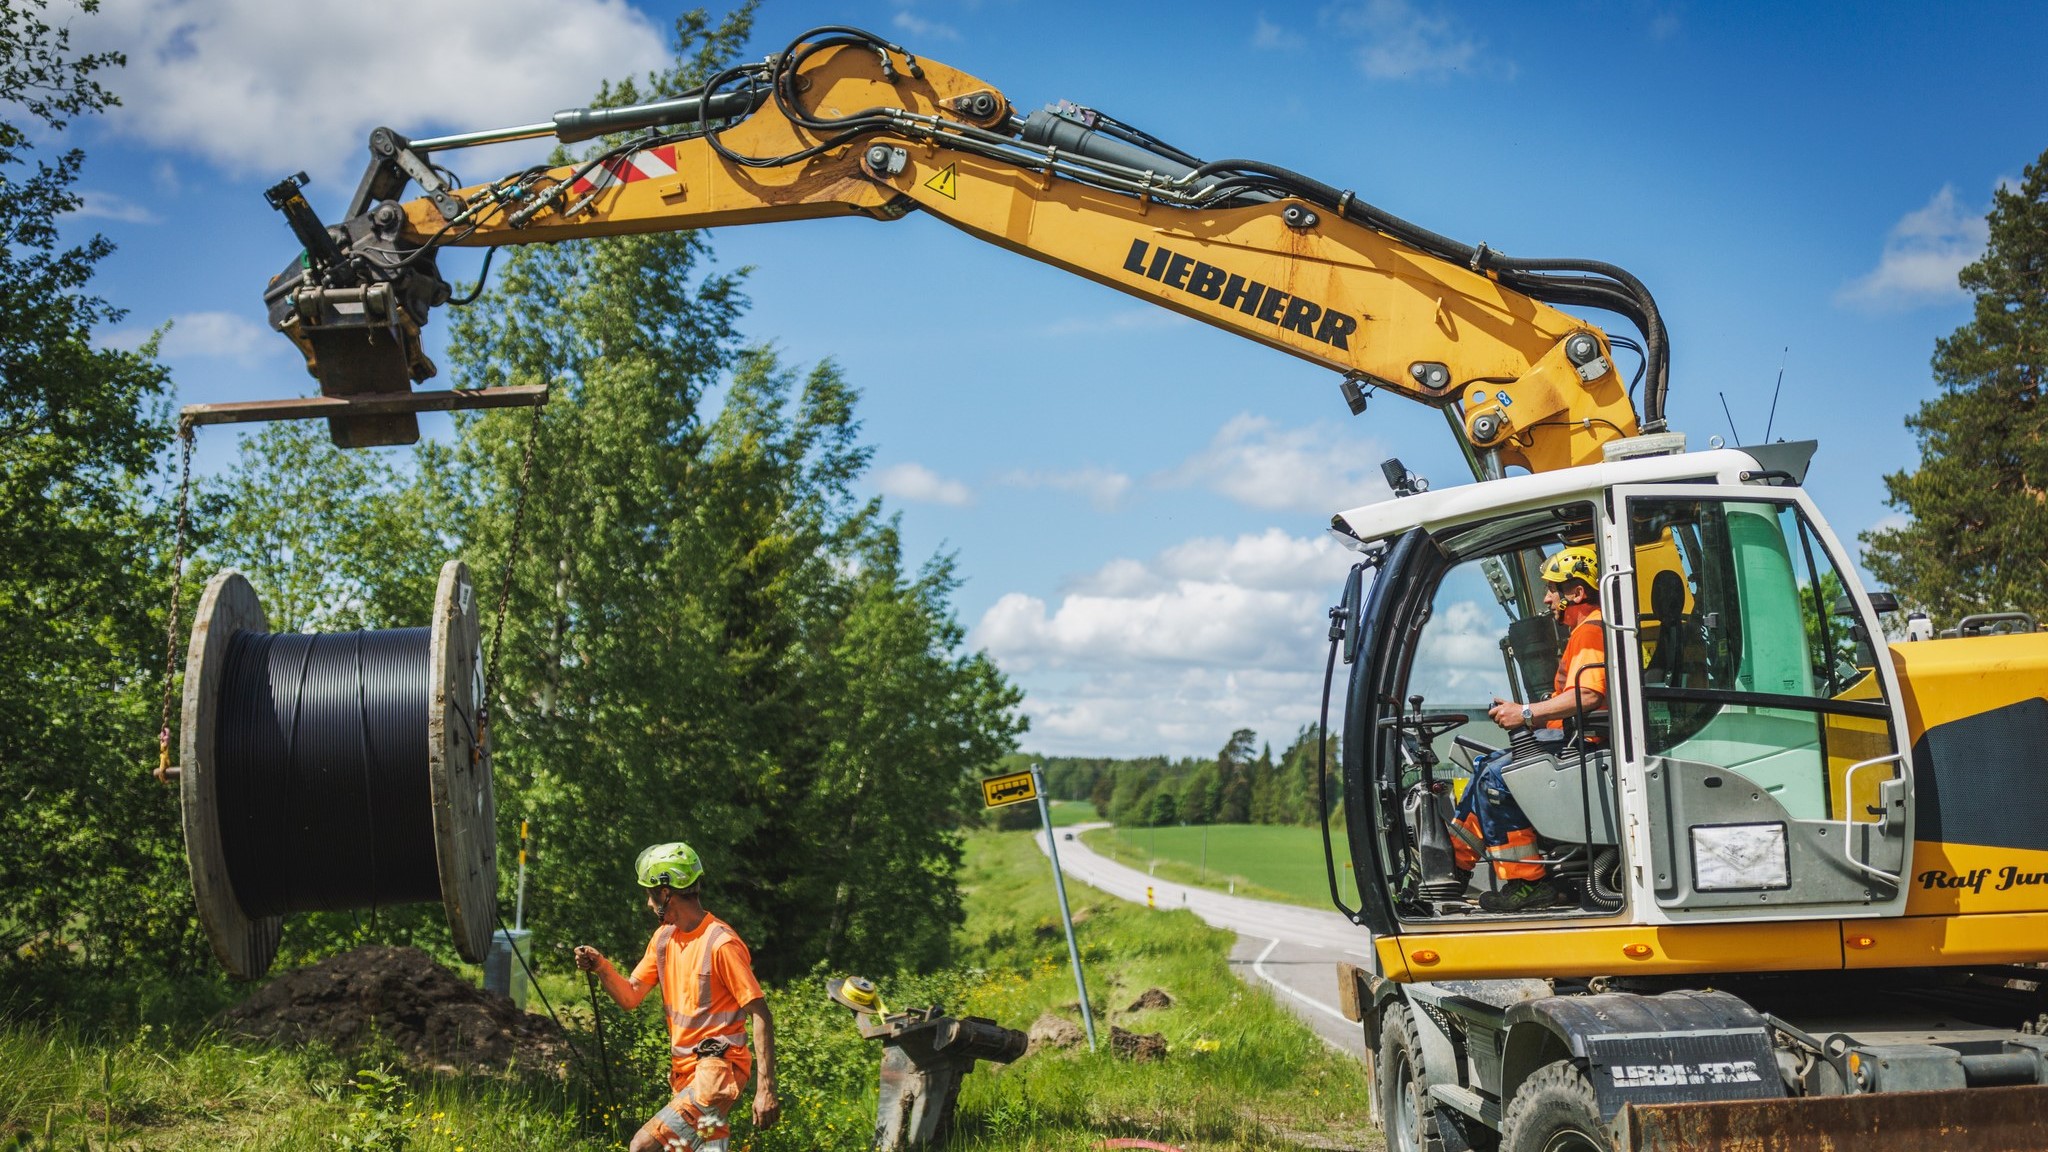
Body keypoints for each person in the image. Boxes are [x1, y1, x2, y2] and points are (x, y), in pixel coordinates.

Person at [574, 842, 779, 1152]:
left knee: (643, 1146)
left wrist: (765, 1089)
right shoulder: (664, 939)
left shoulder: (720, 943)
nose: (647, 903)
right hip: (686, 1076)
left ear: (666, 892)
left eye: (650, 893)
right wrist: (601, 966)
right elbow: (630, 996)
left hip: (717, 1074)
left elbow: (761, 1013)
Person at [1455, 544, 1608, 913]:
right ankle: (1454, 868)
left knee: (1497, 776)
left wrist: (1524, 713)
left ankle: (1528, 883)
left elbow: (1588, 695)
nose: (1547, 598)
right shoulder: (1586, 631)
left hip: (1583, 742)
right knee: (1485, 766)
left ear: (1577, 592)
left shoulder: (1591, 630)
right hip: (1571, 738)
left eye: (1554, 589)